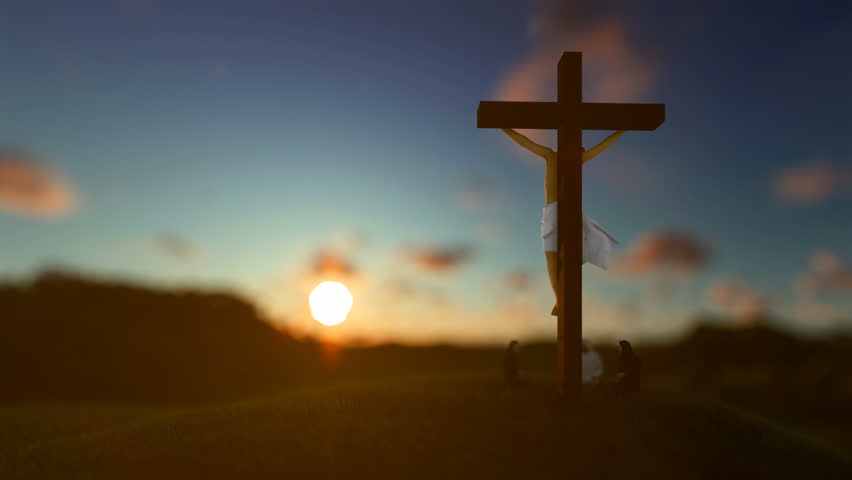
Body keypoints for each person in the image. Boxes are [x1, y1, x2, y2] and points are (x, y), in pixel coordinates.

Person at [499, 128, 625, 316]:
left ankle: (560, 299)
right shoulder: (561, 157)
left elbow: (524, 142)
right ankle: (560, 299)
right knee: (557, 256)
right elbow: (603, 145)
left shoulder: (554, 156)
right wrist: (622, 130)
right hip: (561, 211)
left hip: (556, 211)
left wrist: (504, 128)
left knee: (554, 256)